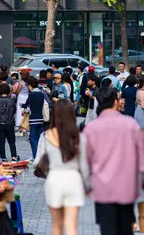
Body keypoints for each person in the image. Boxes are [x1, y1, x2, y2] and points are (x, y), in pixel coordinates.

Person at [84, 87, 144, 235]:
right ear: (115, 102)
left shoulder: (91, 128)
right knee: (125, 229)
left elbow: (85, 161)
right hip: (126, 188)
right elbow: (142, 157)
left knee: (107, 229)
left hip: (102, 190)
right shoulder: (130, 125)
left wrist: (86, 185)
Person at [34, 99, 91, 235]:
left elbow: (37, 162)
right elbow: (85, 166)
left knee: (57, 226)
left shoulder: (46, 136)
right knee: (71, 226)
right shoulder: (80, 137)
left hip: (54, 179)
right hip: (74, 180)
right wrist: (88, 186)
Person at [22, 76, 48, 159]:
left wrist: (23, 107)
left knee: (33, 139)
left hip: (33, 120)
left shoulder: (31, 95)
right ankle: (41, 156)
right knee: (40, 139)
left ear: (30, 85)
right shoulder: (41, 94)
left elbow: (27, 105)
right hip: (41, 119)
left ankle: (36, 156)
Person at [0, 83, 19, 161]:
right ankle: (13, 156)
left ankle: (3, 157)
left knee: (1, 141)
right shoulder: (12, 101)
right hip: (10, 123)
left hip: (1, 123)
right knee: (12, 141)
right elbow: (14, 111)